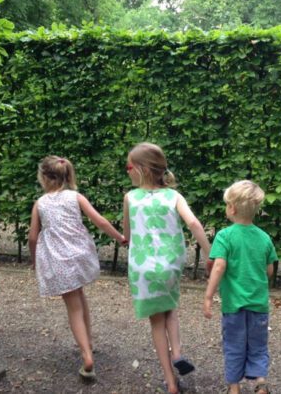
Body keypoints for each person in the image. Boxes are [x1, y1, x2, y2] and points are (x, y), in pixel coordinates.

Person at [122, 142, 212, 394]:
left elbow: (127, 235)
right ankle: (178, 353)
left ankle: (171, 383)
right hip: (170, 264)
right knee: (170, 307)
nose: (127, 171)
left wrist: (126, 237)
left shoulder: (130, 197)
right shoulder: (174, 196)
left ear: (140, 169)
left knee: (156, 322)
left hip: (142, 268)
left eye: (129, 166)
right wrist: (209, 254)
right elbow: (193, 223)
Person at [27, 155, 126, 381]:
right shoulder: (75, 196)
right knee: (80, 296)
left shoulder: (40, 204)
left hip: (59, 260)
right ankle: (89, 342)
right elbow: (99, 221)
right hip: (80, 254)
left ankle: (86, 355)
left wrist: (35, 260)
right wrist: (120, 237)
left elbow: (33, 237)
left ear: (43, 177)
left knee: (73, 307)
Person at [203, 180, 278, 394]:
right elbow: (269, 270)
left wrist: (209, 296)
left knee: (234, 347)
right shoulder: (264, 238)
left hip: (233, 306)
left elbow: (218, 267)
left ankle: (234, 388)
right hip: (258, 305)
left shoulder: (224, 236)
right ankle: (260, 382)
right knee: (258, 347)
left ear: (232, 208)